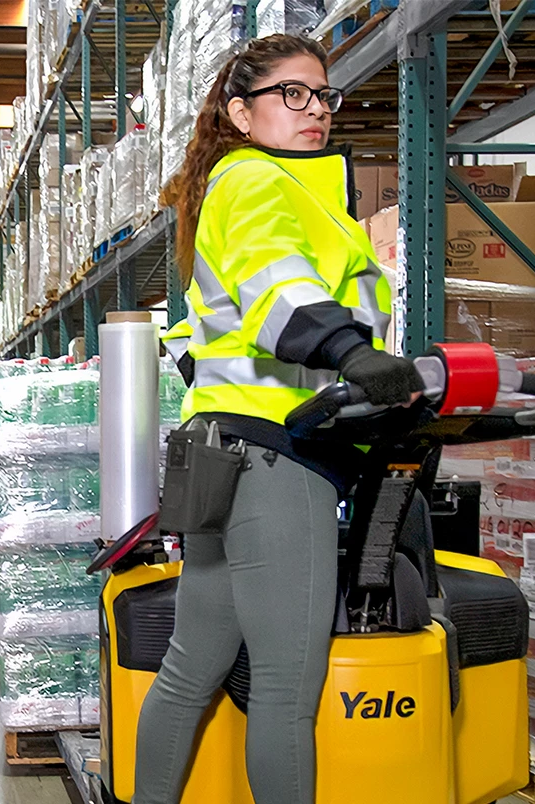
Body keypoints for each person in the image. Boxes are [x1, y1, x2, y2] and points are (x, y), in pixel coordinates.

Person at [137, 35, 421, 803]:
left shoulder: (256, 188)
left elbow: (200, 333)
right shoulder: (260, 181)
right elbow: (278, 286)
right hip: (277, 455)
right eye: (291, 94)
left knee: (194, 665)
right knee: (287, 689)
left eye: (323, 95)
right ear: (241, 112)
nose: (315, 109)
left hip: (221, 453)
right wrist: (349, 352)